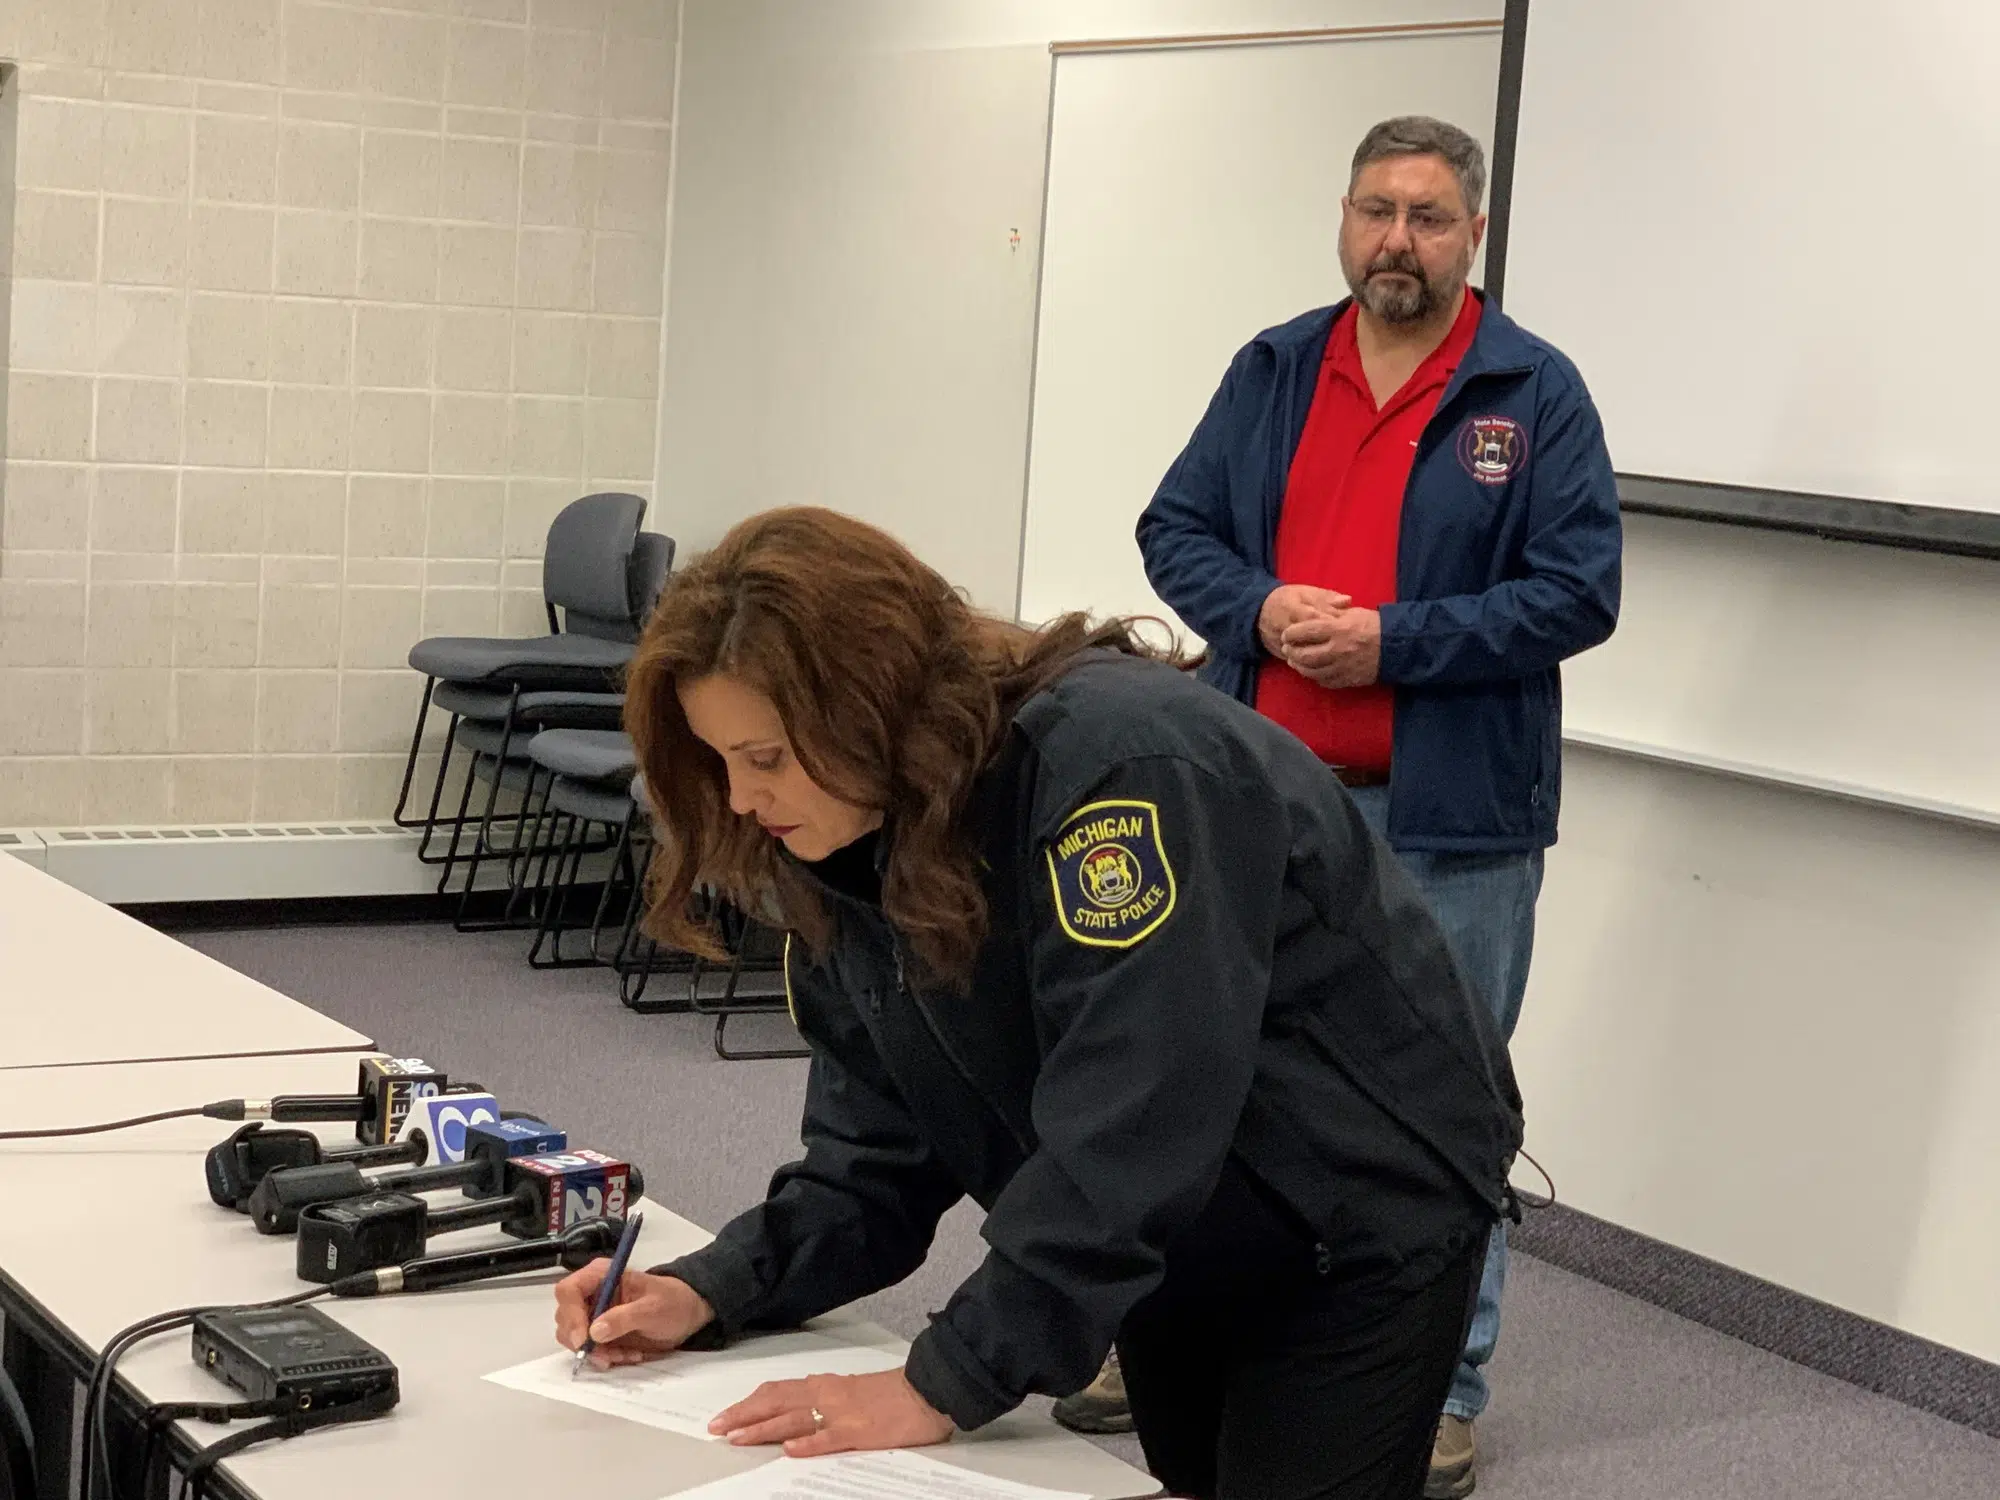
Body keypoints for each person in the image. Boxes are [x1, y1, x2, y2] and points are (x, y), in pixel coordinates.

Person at [552, 506, 1525, 1500]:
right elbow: (874, 1161)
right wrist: (708, 1288)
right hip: (1182, 1223)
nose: (740, 798)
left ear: (869, 702)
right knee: (1194, 1472)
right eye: (720, 760)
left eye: (764, 758)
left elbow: (1142, 1113)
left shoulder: (1119, 770)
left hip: (1352, 1212)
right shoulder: (848, 830)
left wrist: (946, 1379)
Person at [1123, 116, 1622, 1497]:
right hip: (1258, 806)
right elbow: (1174, 531)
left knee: (1444, 1111)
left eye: (1427, 216)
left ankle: (1442, 1390)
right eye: (1374, 210)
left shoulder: (1534, 392)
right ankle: (1175, 1338)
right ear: (1344, 220)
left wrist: (1393, 644)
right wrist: (1258, 610)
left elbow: (1578, 592)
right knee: (1204, 1076)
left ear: (1473, 235)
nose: (1396, 239)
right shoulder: (1276, 367)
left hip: (1448, 827)